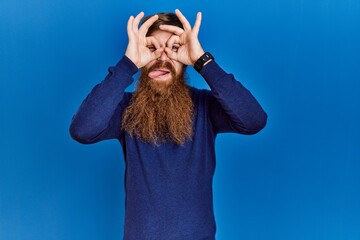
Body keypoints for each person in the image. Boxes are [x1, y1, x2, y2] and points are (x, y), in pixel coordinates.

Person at [69, 9, 267, 240]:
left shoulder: (205, 106)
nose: (162, 58)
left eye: (174, 48)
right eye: (152, 48)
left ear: (186, 60)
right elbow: (82, 130)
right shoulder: (125, 108)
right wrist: (127, 65)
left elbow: (254, 120)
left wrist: (203, 61)